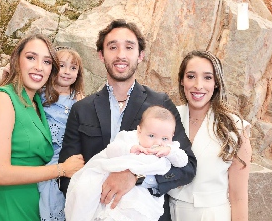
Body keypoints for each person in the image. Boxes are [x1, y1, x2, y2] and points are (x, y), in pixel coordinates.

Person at [59, 19, 197, 221]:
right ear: (101, 55)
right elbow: (67, 174)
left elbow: (187, 167)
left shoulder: (160, 104)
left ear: (140, 55)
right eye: (112, 47)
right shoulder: (82, 109)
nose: (121, 55)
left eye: (129, 47)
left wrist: (137, 177)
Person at [0, 34, 84, 221]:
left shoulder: (38, 102)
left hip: (38, 204)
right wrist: (62, 169)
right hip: (12, 205)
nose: (38, 66)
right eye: (31, 58)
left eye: (46, 61)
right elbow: (0, 174)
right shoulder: (2, 99)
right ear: (16, 61)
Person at [168, 50, 252, 221]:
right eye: (191, 76)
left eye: (207, 77)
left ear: (216, 83)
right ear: (181, 81)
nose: (198, 85)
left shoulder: (234, 127)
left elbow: (239, 196)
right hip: (167, 212)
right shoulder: (169, 118)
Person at [65, 106, 188, 221]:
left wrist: (169, 152)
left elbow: (183, 161)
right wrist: (129, 149)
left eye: (165, 138)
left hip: (142, 192)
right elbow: (111, 149)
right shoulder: (130, 138)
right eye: (151, 135)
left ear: (172, 136)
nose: (158, 142)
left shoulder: (170, 148)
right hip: (111, 181)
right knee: (88, 190)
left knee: (136, 210)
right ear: (139, 131)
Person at [38, 47, 85, 221]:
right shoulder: (41, 95)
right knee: (49, 194)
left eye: (73, 68)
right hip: (50, 156)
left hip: (73, 155)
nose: (67, 72)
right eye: (62, 66)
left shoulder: (80, 99)